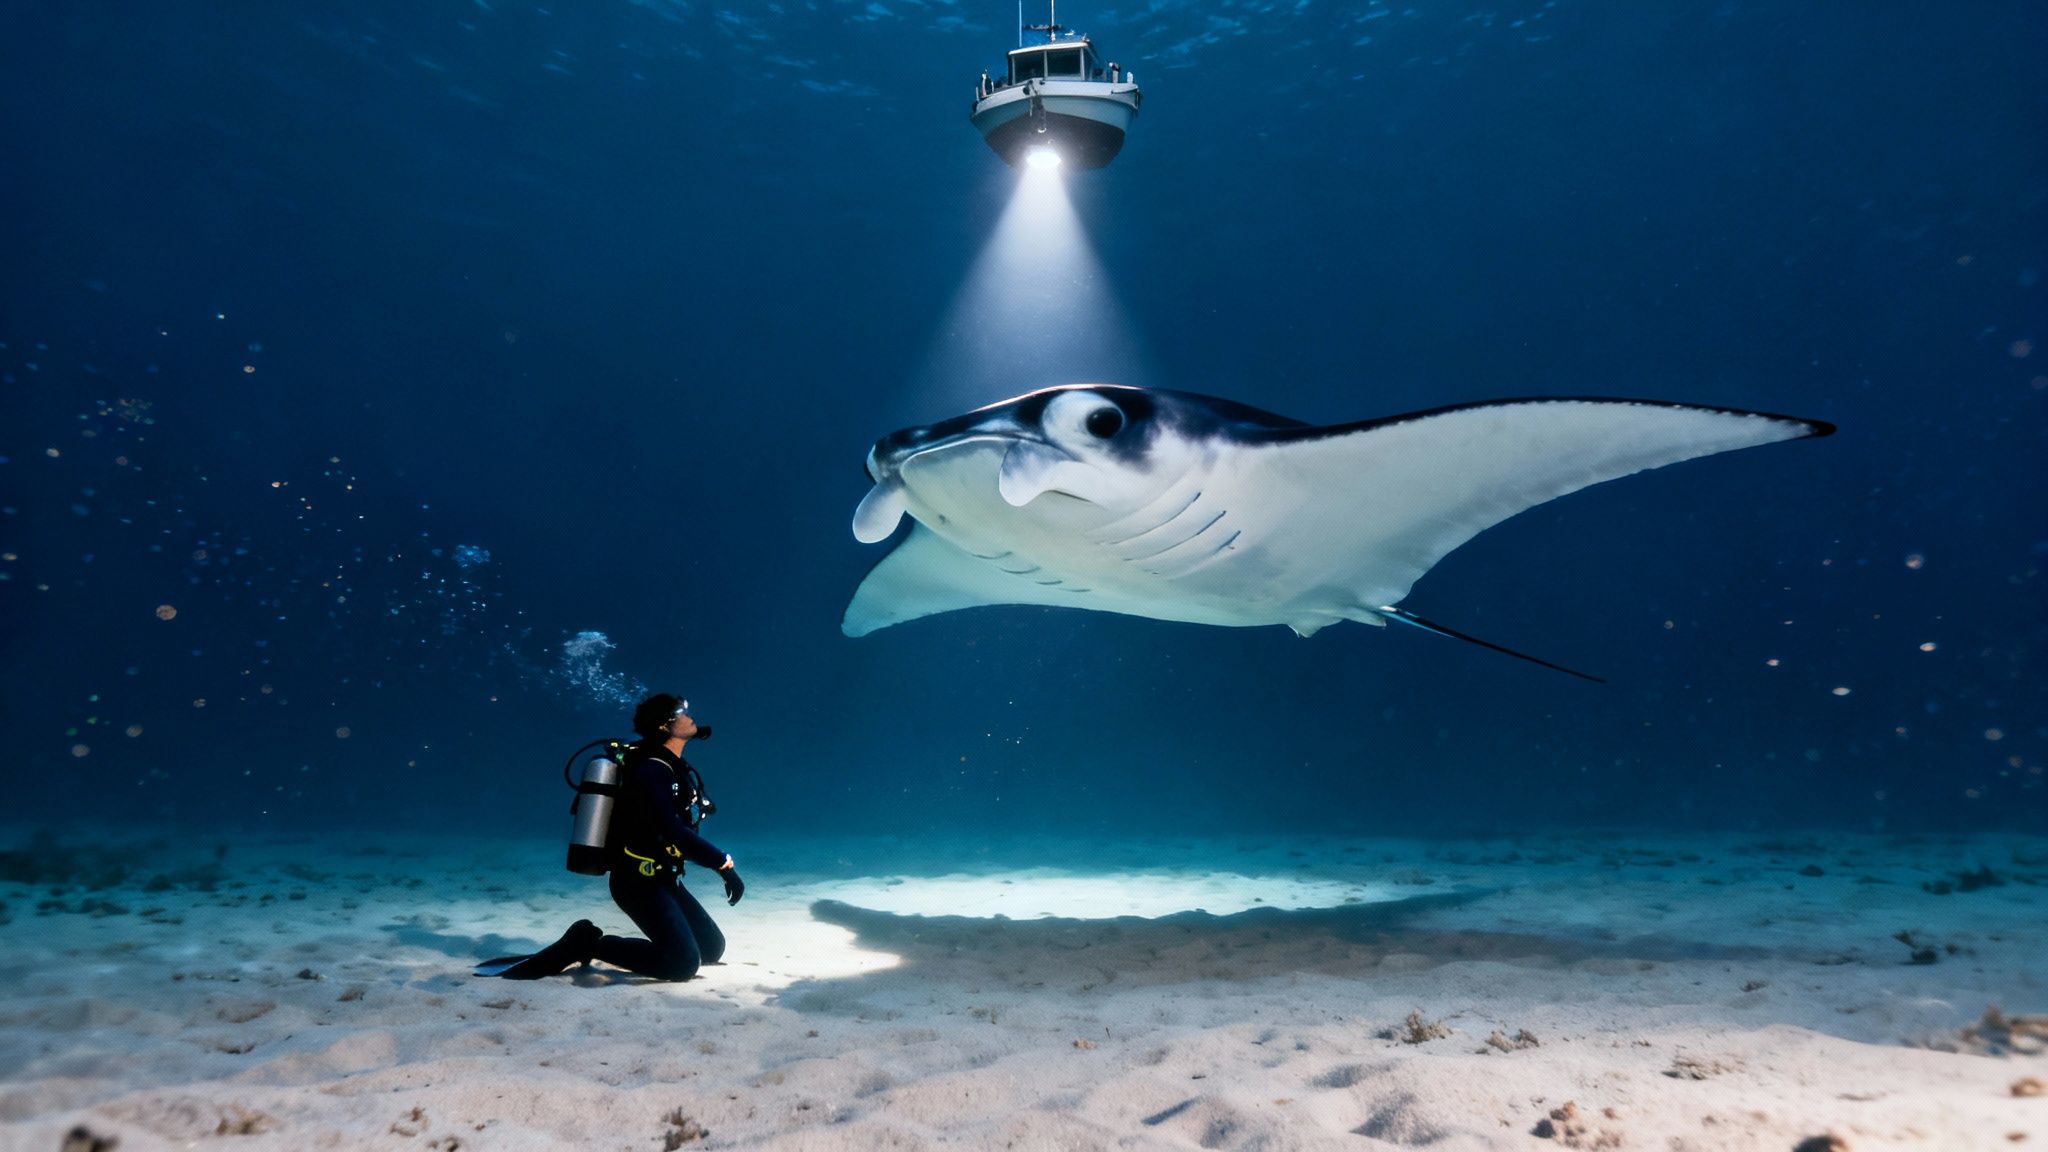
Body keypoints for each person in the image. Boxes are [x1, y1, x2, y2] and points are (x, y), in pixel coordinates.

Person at [484, 692, 744, 981]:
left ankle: (601, 943)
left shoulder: (670, 767)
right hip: (637, 882)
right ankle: (588, 943)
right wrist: (722, 864)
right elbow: (671, 830)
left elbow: (675, 836)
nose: (689, 714)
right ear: (663, 725)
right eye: (681, 710)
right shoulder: (650, 770)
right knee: (682, 965)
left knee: (711, 949)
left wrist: (716, 866)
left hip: (666, 879)